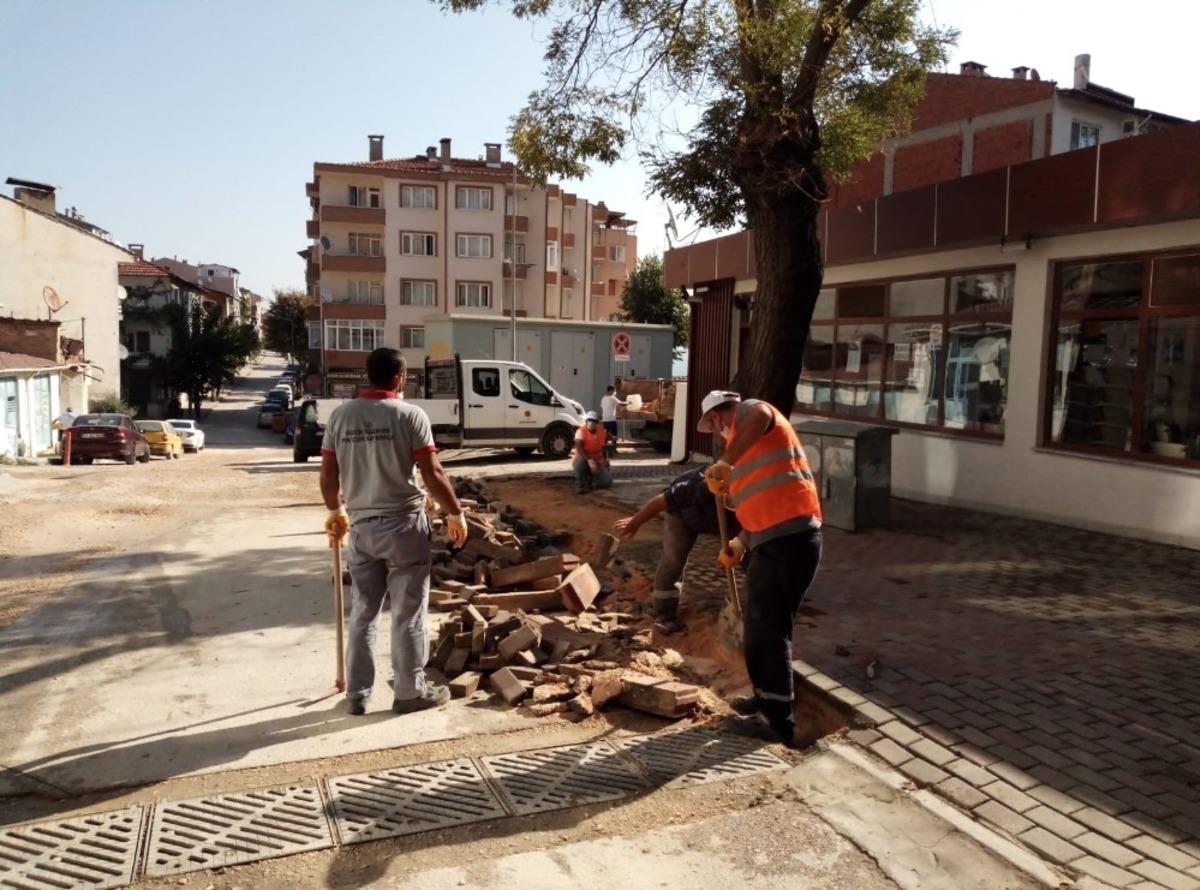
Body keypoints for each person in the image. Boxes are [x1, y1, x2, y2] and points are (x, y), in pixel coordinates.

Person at [320, 347, 468, 716]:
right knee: (407, 613)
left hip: (362, 530)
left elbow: (327, 475)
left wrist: (336, 511)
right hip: (404, 526)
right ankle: (408, 692)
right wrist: (456, 512)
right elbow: (433, 472)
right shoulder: (410, 415)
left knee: (364, 611)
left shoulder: (340, 416)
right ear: (400, 377)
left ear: (367, 376)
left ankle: (357, 693)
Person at [699, 389, 822, 748]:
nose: (719, 431)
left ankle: (779, 722)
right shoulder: (747, 452)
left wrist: (726, 462)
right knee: (759, 624)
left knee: (769, 628)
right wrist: (740, 542)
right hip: (773, 543)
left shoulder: (751, 414)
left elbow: (762, 415)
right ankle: (766, 699)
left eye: (716, 424)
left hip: (792, 542)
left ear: (720, 417)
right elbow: (760, 504)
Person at [613, 468, 740, 634]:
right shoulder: (697, 487)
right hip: (681, 516)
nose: (732, 500)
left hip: (718, 522)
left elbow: (747, 533)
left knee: (750, 560)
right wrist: (636, 522)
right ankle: (664, 612)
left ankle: (750, 613)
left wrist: (736, 546)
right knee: (673, 559)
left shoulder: (751, 500)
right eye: (729, 497)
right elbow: (661, 501)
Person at [572, 411, 612, 493]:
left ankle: (592, 480)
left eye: (593, 420)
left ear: (597, 422)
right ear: (585, 421)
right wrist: (590, 460)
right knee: (579, 464)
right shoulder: (580, 432)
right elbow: (579, 448)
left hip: (598, 461)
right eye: (588, 420)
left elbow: (608, 438)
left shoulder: (601, 431)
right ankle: (581, 484)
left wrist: (606, 459)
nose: (590, 422)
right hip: (585, 459)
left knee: (607, 482)